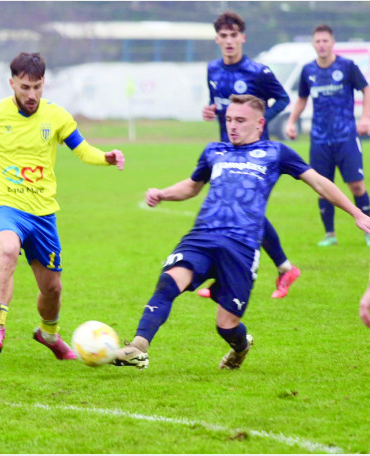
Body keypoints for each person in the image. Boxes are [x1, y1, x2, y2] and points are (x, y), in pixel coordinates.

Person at [114, 94, 370, 370]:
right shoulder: (214, 151)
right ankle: (138, 347)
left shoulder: (276, 153)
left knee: (226, 325)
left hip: (242, 246)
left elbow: (319, 182)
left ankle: (241, 346)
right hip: (202, 236)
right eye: (228, 120)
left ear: (260, 124)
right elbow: (192, 186)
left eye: (240, 120)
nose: (232, 126)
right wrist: (162, 193)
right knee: (168, 283)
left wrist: (357, 213)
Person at [0, 52, 125, 359]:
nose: (32, 95)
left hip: (43, 214)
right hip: (5, 206)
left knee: (52, 289)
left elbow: (83, 150)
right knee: (7, 250)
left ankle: (49, 334)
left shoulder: (57, 116)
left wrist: (105, 158)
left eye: (37, 87)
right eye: (25, 87)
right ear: (12, 83)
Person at [200, 11, 300, 299]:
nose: (229, 41)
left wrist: (261, 121)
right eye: (224, 36)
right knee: (237, 211)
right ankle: (284, 268)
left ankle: (228, 279)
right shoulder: (212, 69)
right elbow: (217, 104)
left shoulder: (258, 72)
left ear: (242, 37)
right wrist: (210, 110)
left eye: (234, 35)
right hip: (226, 152)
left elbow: (283, 98)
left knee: (242, 211)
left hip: (257, 153)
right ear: (217, 39)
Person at [285, 24, 370, 247]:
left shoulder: (347, 66)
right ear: (313, 44)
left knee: (357, 186)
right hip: (320, 140)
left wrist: (365, 118)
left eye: (325, 41)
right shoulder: (308, 70)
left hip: (346, 137)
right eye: (318, 41)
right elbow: (302, 99)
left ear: (332, 43)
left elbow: (366, 89)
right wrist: (292, 122)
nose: (321, 45)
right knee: (322, 187)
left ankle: (368, 230)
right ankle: (330, 235)